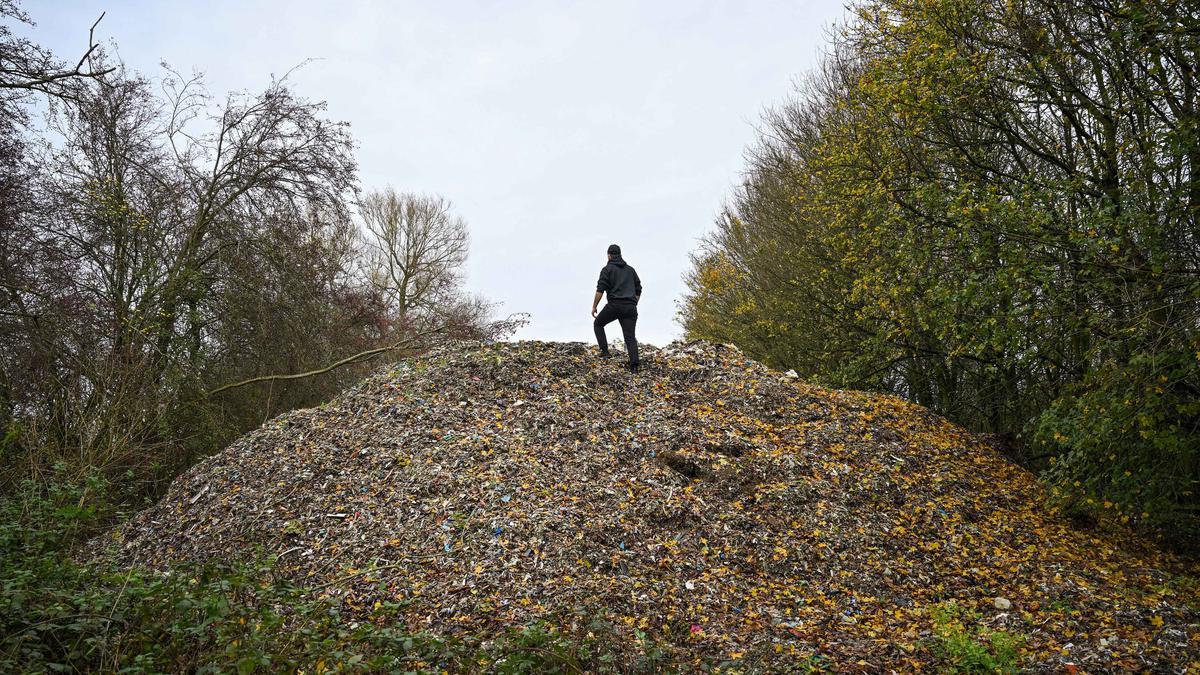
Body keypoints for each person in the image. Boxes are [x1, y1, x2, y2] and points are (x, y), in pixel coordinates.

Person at [591, 243, 642, 372]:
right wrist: (634, 302)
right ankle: (634, 366)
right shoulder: (630, 270)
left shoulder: (607, 270)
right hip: (630, 307)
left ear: (609, 255)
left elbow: (600, 290)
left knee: (598, 323)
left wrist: (594, 306)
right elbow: (638, 288)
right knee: (630, 337)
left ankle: (604, 351)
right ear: (620, 254)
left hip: (615, 305)